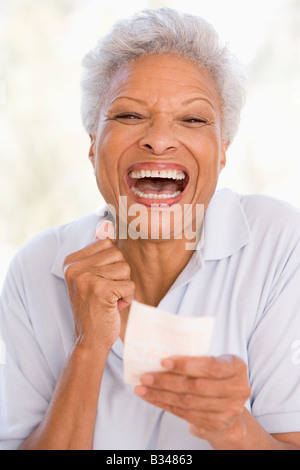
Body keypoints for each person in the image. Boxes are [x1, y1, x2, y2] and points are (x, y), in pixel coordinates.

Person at [1, 8, 300, 451]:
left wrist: (231, 425)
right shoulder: (36, 267)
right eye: (128, 116)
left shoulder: (279, 243)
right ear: (92, 144)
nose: (159, 140)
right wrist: (88, 347)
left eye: (193, 120)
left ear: (222, 152)